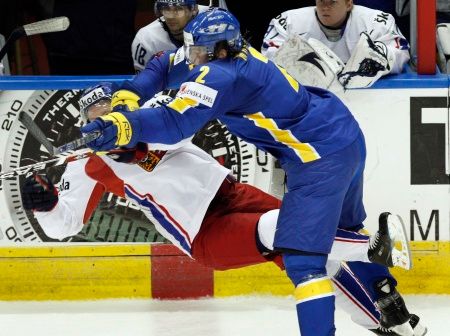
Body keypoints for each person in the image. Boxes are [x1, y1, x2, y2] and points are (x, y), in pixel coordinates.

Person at [79, 8, 424, 336]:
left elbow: (173, 122)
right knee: (342, 230)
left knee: (304, 263)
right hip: (341, 132)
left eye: (198, 50)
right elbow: (164, 64)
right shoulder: (225, 55)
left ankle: (373, 251)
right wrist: (129, 94)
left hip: (317, 157)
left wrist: (124, 125)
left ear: (220, 51)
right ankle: (393, 309)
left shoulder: (221, 75)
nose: (191, 56)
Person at [23, 83, 423, 335]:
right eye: (97, 117)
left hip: (233, 194)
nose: (106, 118)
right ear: (84, 127)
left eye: (111, 110)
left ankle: (385, 320)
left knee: (308, 259)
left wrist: (129, 136)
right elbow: (64, 225)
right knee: (288, 229)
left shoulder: (152, 120)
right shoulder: (88, 165)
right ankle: (370, 244)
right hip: (204, 233)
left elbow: (173, 135)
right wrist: (46, 203)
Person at [261, 0, 410, 89]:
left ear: (349, 4)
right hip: (309, 95)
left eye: (332, 1)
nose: (325, 7)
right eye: (321, 1)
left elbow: (401, 53)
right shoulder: (289, 21)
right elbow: (268, 56)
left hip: (364, 96)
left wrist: (378, 58)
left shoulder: (376, 21)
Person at [132, 0, 208, 72]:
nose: (170, 16)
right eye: (166, 8)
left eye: (178, 9)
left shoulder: (215, 19)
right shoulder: (146, 38)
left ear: (193, 9)